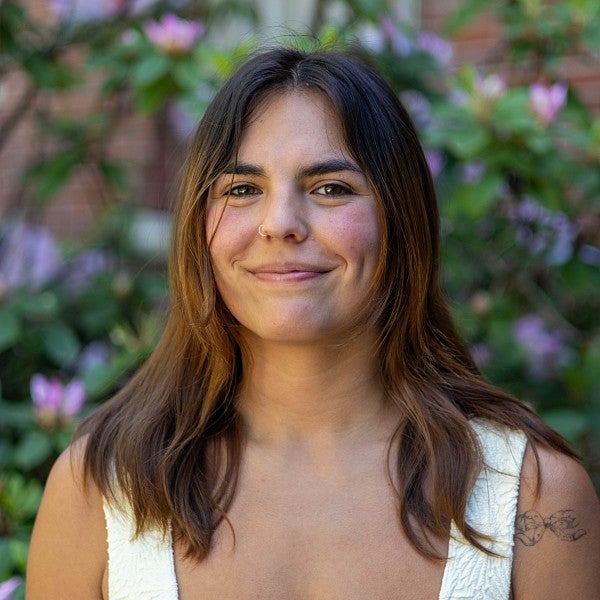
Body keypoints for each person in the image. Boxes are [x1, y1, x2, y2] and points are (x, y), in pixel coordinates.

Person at [27, 46, 599, 599]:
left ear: (401, 219)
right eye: (243, 189)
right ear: (198, 229)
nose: (279, 224)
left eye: (330, 188)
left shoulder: (531, 496)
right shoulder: (100, 490)